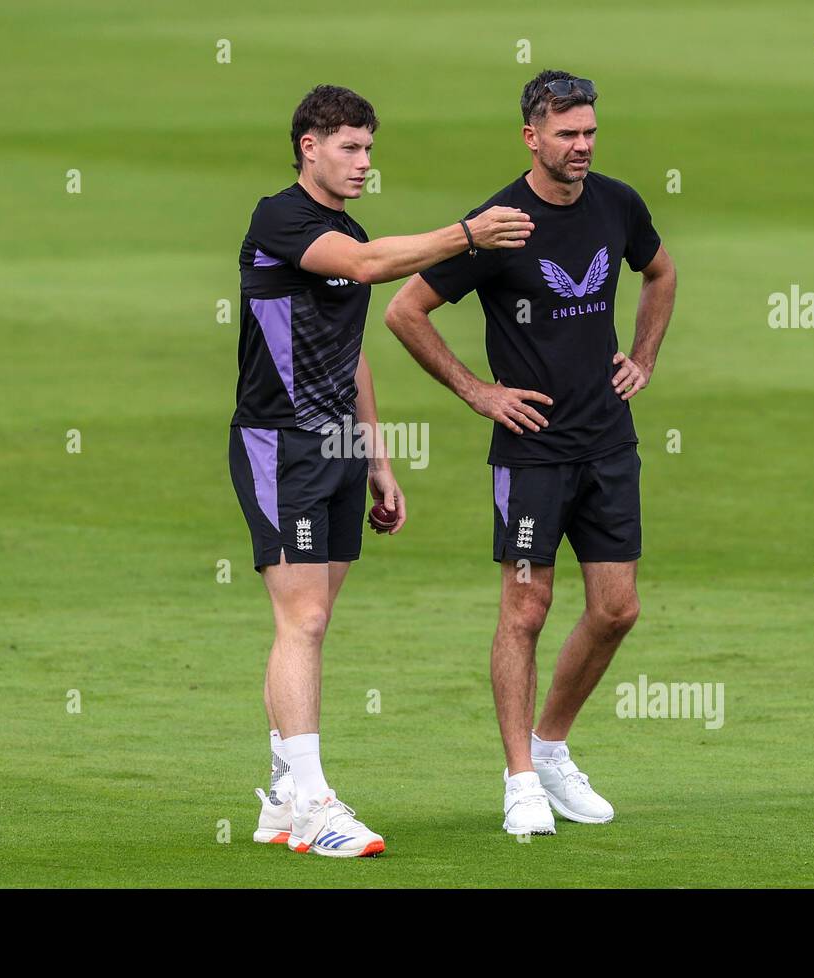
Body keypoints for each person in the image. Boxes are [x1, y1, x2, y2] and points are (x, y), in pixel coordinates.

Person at [232, 83, 535, 856]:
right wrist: (467, 233)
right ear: (310, 147)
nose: (365, 162)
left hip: (335, 447)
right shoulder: (282, 219)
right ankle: (316, 805)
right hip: (281, 443)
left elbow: (352, 352)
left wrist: (378, 460)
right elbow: (368, 266)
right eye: (350, 148)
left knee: (311, 624)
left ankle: (279, 797)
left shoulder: (347, 227)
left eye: (370, 148)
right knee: (302, 620)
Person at [383, 70, 677, 835]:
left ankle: (551, 749)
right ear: (531, 138)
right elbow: (404, 310)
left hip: (609, 444)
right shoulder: (497, 224)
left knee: (617, 609)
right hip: (532, 455)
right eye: (566, 134)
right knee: (527, 607)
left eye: (589, 133)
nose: (581, 146)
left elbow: (660, 271)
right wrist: (478, 391)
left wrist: (642, 355)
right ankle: (519, 781)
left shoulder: (618, 203)